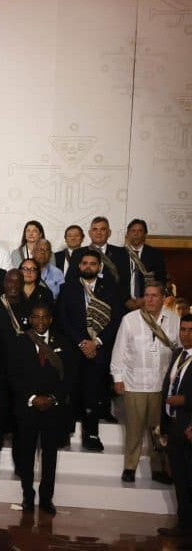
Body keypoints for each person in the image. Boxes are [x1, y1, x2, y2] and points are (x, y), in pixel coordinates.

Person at [111, 282, 180, 483]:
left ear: (163, 298)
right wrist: (118, 378)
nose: (149, 299)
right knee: (134, 429)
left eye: (154, 295)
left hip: (162, 386)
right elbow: (119, 350)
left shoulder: (174, 320)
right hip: (135, 383)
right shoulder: (129, 320)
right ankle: (130, 467)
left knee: (159, 431)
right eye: (147, 295)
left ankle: (158, 468)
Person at [10, 303, 76, 516]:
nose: (40, 321)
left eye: (44, 317)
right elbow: (12, 376)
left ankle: (46, 499)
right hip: (27, 408)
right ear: (30, 318)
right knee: (26, 456)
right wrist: (32, 397)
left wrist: (53, 398)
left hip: (53, 409)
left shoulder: (63, 343)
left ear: (50, 319)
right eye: (36, 317)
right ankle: (28, 497)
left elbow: (69, 378)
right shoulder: (19, 342)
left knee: (49, 456)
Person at [58, 249, 119, 452]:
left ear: (99, 267)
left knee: (93, 394)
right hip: (75, 349)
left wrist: (97, 342)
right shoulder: (67, 288)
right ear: (79, 266)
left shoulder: (110, 289)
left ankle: (91, 435)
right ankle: (64, 434)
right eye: (84, 263)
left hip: (98, 351)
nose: (88, 267)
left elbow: (116, 320)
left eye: (93, 263)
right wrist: (82, 342)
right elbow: (63, 320)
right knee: (70, 391)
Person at [0, 269, 30, 476]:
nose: (12, 285)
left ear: (22, 284)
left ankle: (21, 465)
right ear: (4, 283)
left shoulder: (30, 306)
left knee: (21, 422)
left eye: (17, 281)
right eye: (9, 281)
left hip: (22, 375)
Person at [157, 315, 192, 538]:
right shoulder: (178, 354)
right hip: (174, 426)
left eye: (190, 330)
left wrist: (186, 400)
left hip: (189, 427)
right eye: (183, 329)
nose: (185, 334)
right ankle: (184, 526)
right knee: (180, 480)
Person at [121, 219, 169, 311]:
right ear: (127, 234)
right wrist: (126, 300)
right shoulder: (118, 254)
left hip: (148, 304)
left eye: (140, 231)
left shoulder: (155, 255)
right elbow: (115, 282)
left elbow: (161, 280)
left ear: (145, 235)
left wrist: (144, 299)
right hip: (122, 305)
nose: (136, 234)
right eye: (133, 231)